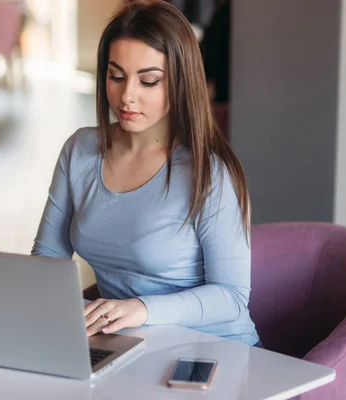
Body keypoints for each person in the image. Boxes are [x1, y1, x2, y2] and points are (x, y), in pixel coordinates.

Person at [31, 0, 262, 347]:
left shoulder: (208, 172)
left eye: (149, 81)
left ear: (181, 82)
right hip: (128, 346)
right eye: (116, 76)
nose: (127, 96)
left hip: (216, 351)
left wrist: (143, 309)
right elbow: (48, 257)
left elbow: (231, 296)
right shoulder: (79, 151)